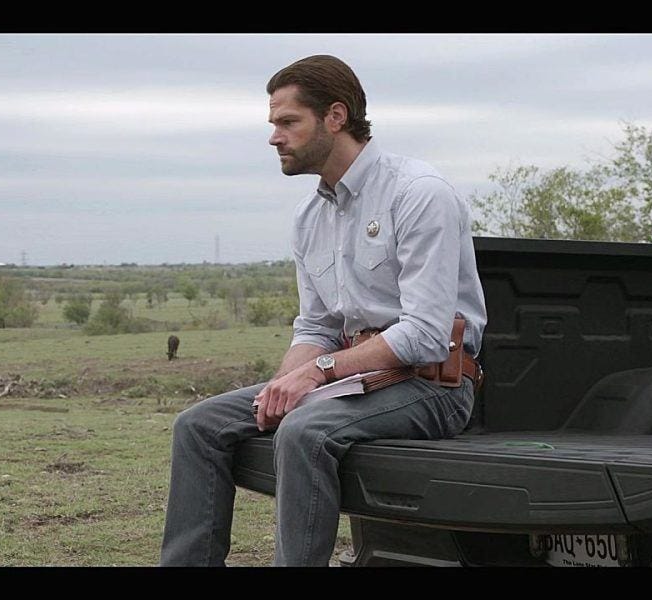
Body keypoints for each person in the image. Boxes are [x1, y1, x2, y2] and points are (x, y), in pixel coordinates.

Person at [159, 55, 487, 567]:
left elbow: (425, 334)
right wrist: (282, 386)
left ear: (336, 117)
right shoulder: (310, 215)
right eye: (273, 123)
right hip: (352, 380)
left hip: (433, 385)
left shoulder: (419, 193)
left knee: (305, 431)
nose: (274, 137)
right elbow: (317, 325)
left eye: (288, 122)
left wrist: (317, 374)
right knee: (198, 425)